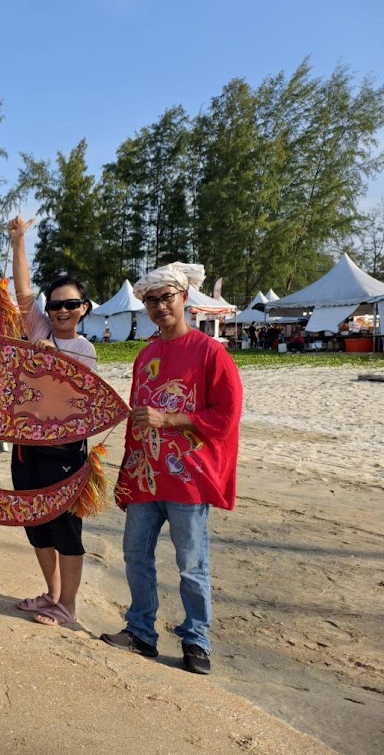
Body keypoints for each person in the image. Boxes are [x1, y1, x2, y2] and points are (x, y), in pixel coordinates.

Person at [100, 262, 243, 676]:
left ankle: (196, 639)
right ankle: (141, 631)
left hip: (189, 478)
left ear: (185, 299)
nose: (160, 306)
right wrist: (127, 473)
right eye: (151, 300)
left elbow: (227, 414)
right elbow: (137, 417)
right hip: (146, 474)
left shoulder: (210, 352)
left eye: (167, 297)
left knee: (191, 564)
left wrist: (172, 420)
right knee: (135, 556)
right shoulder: (145, 354)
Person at [7, 217, 98, 627]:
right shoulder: (38, 328)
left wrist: (50, 357)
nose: (62, 311)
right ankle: (52, 594)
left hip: (64, 452)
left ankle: (70, 607)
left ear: (83, 309)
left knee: (66, 530)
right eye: (56, 305)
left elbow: (77, 400)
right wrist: (19, 240)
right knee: (35, 523)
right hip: (26, 449)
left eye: (70, 305)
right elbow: (24, 293)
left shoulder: (84, 349)